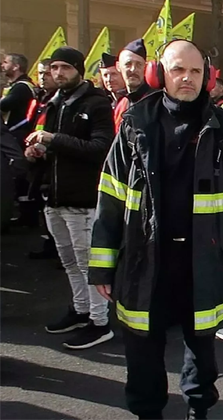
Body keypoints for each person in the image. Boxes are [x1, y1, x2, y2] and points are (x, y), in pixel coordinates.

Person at [90, 39, 223, 420]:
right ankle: (147, 413)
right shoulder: (135, 124)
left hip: (203, 261)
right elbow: (111, 198)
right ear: (160, 74)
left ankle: (197, 413)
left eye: (195, 71)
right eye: (178, 70)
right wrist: (102, 266)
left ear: (206, 77)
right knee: (141, 351)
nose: (187, 78)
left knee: (201, 353)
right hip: (145, 261)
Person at [24, 46, 114, 349]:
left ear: (79, 70)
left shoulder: (97, 104)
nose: (58, 73)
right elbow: (50, 146)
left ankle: (100, 322)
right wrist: (37, 151)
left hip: (83, 200)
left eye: (65, 67)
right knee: (70, 262)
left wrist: (53, 140)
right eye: (54, 68)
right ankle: (81, 309)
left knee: (90, 264)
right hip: (55, 198)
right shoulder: (54, 103)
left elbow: (101, 148)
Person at [26, 59, 60, 259]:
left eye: (47, 73)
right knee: (43, 207)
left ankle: (58, 250)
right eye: (40, 73)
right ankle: (50, 244)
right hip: (39, 159)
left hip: (53, 163)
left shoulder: (59, 101)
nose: (43, 77)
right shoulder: (42, 99)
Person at [114, 39, 153, 132]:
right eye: (128, 64)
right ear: (118, 67)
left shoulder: (155, 102)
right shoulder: (122, 103)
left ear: (145, 67)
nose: (133, 69)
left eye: (139, 65)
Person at [1, 53, 35, 146]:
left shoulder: (21, 87)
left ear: (16, 66)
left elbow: (3, 106)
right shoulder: (19, 86)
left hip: (17, 136)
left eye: (5, 62)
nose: (2, 65)